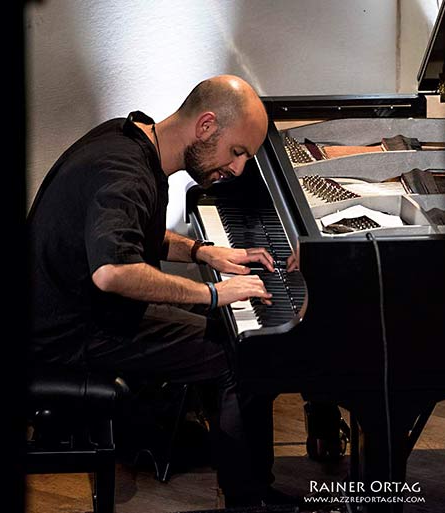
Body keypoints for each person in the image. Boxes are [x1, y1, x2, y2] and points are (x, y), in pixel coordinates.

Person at [28, 74, 296, 507]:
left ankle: (232, 463)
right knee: (236, 354)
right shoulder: (126, 174)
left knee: (224, 329)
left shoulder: (128, 137)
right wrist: (212, 294)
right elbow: (113, 272)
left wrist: (202, 252)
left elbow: (129, 237)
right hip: (69, 333)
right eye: (237, 151)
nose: (238, 168)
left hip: (75, 312)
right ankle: (249, 500)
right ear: (206, 126)